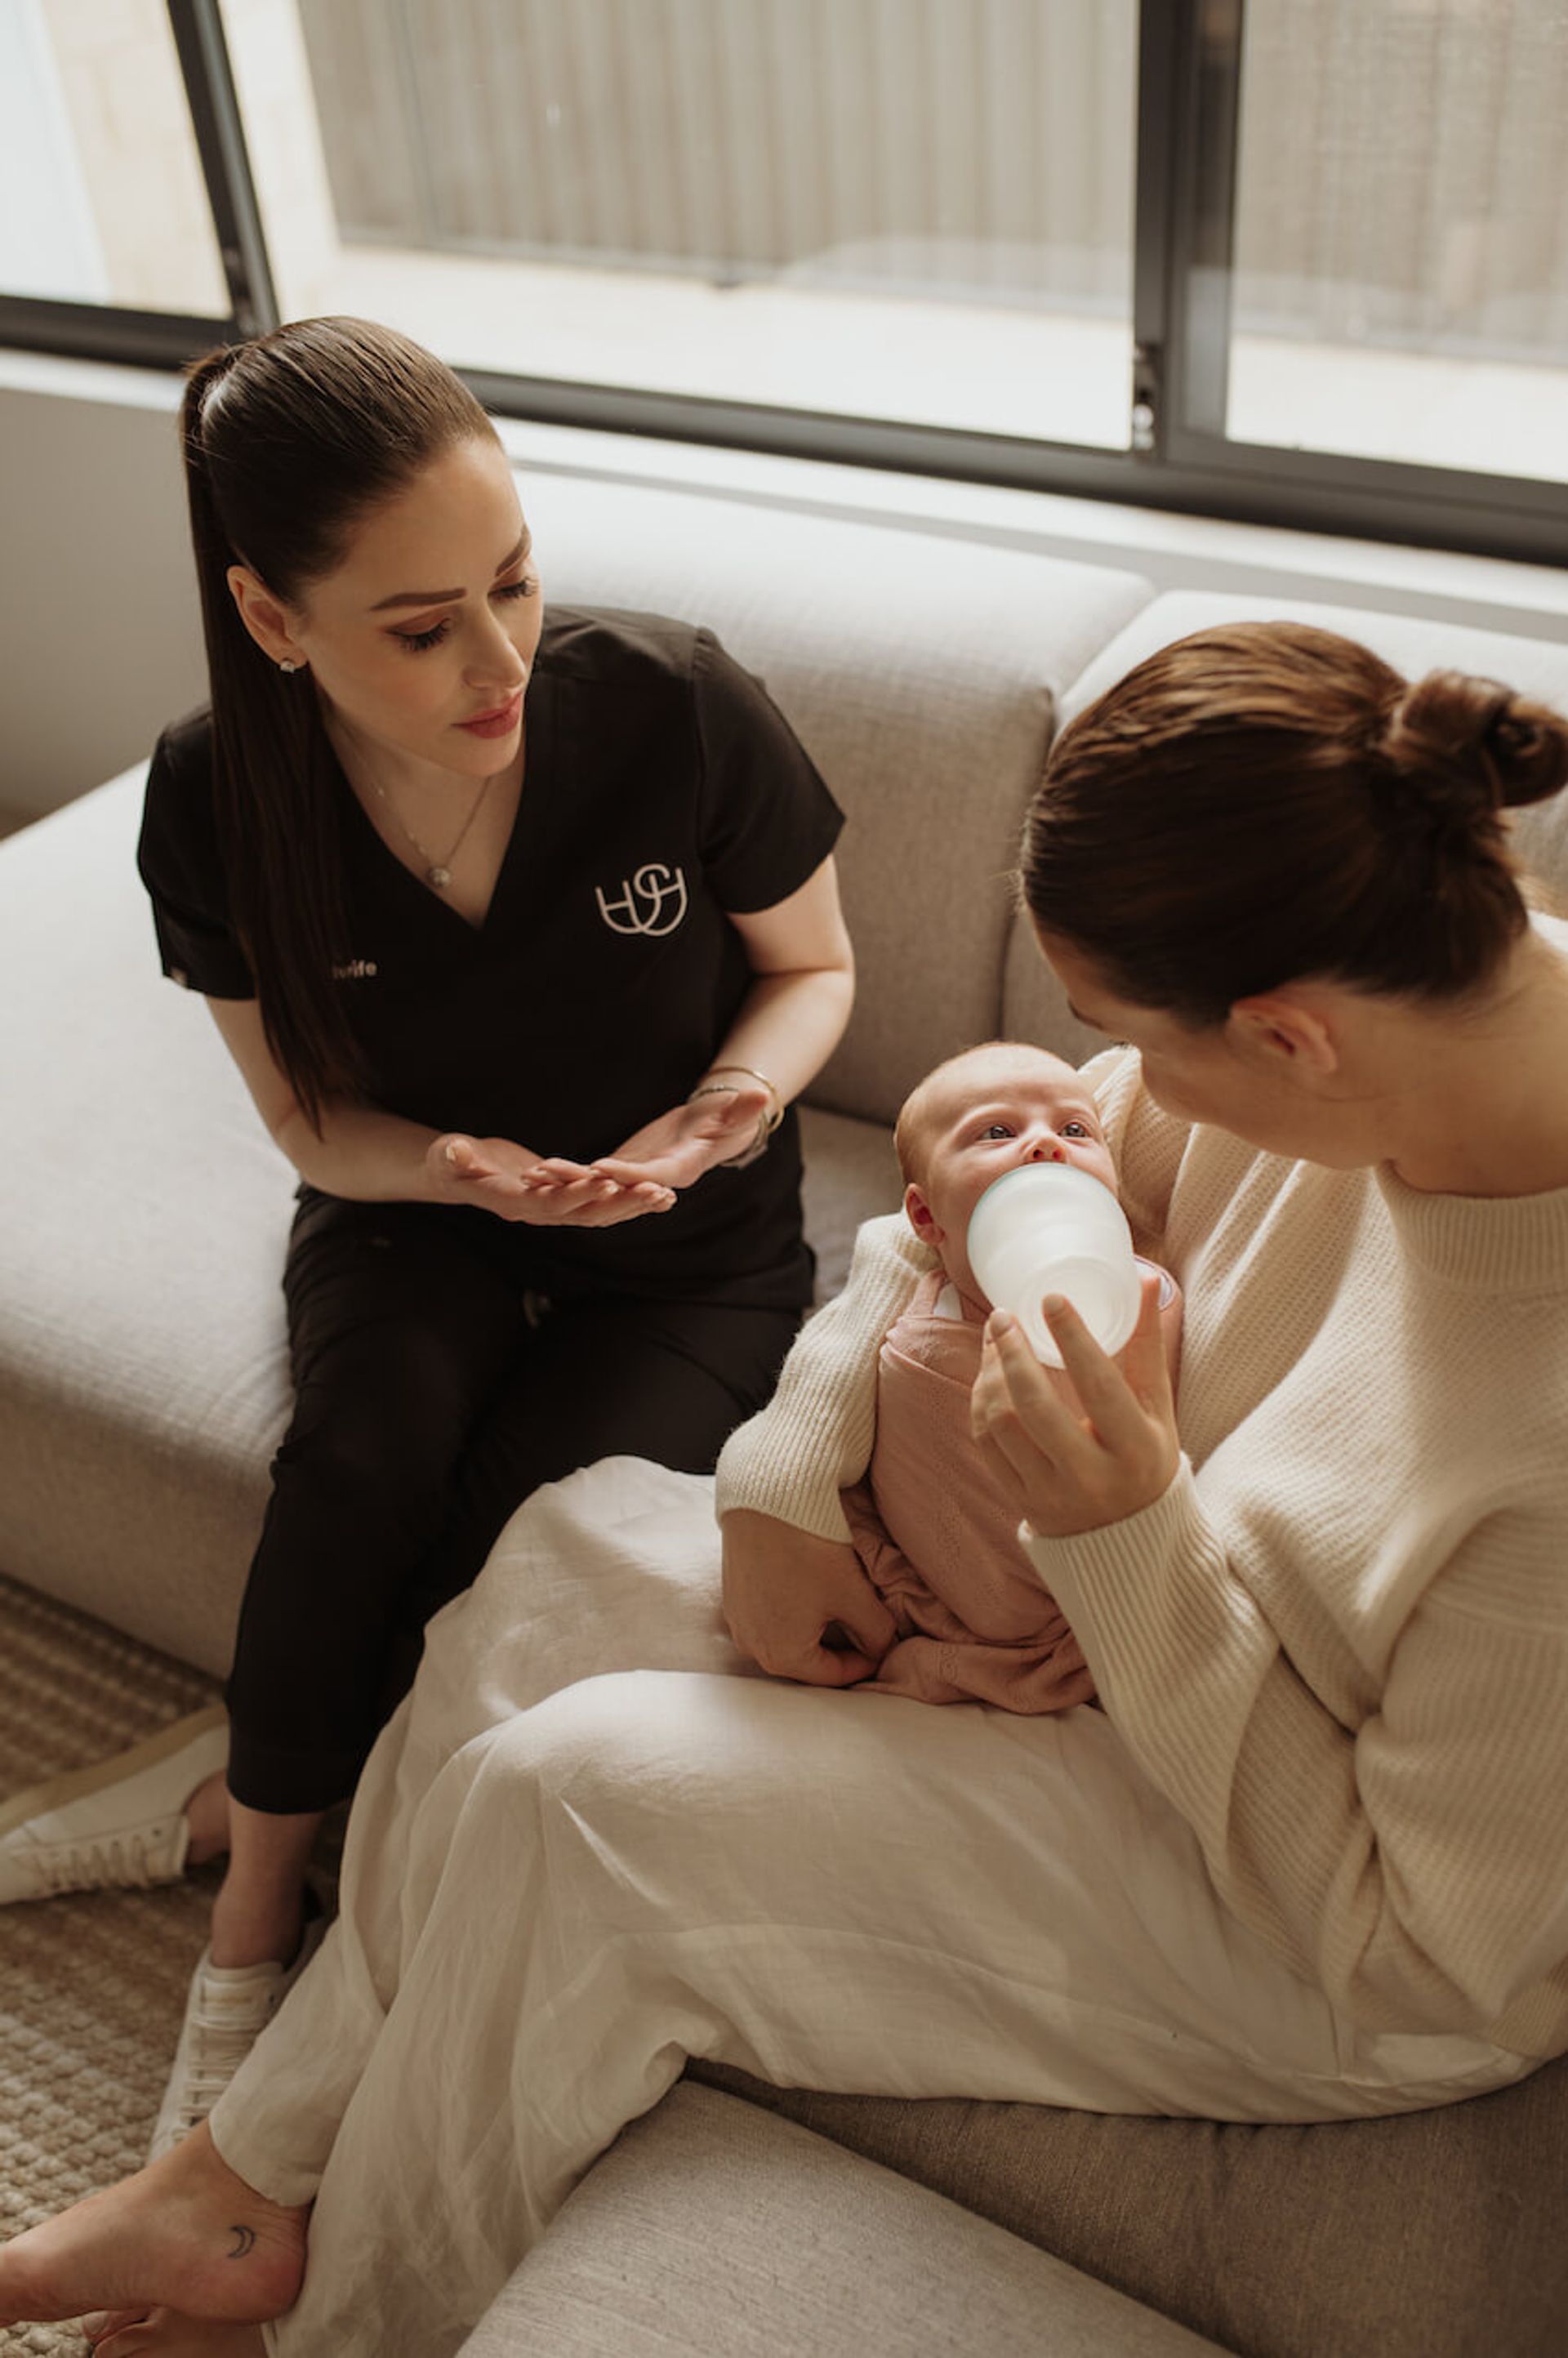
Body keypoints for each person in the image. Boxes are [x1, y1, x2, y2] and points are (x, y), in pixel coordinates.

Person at [7, 620, 1568, 2358]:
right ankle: (251, 2178)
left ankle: (338, 2326)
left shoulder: (1542, 1435)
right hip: (1111, 1623)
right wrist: (785, 1476)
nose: (1103, 1085)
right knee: (564, 1551)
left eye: (1119, 1033)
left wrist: (1129, 1539)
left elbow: (1413, 1947)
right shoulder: (1396, 971)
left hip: (1324, 1930)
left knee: (578, 1803)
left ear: (1286, 1043)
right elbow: (977, 1201)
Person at [0, 317, 854, 2155]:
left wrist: (730, 1112)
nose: (500, 661)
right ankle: (246, 1936)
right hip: (422, 1211)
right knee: (361, 1456)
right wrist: (458, 1173)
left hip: (691, 1237)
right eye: (422, 625)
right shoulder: (218, 798)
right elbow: (312, 1126)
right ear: (273, 617)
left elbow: (815, 968)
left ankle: (241, 1792)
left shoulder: (676, 705)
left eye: (516, 582)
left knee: (513, 1543)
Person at [831, 1038, 1181, 1709]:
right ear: (927, 1216)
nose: (1049, 1145)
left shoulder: (1151, 1297)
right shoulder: (918, 1343)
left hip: (1125, 1590)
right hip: (977, 1607)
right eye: (998, 1131)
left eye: (1077, 1130)